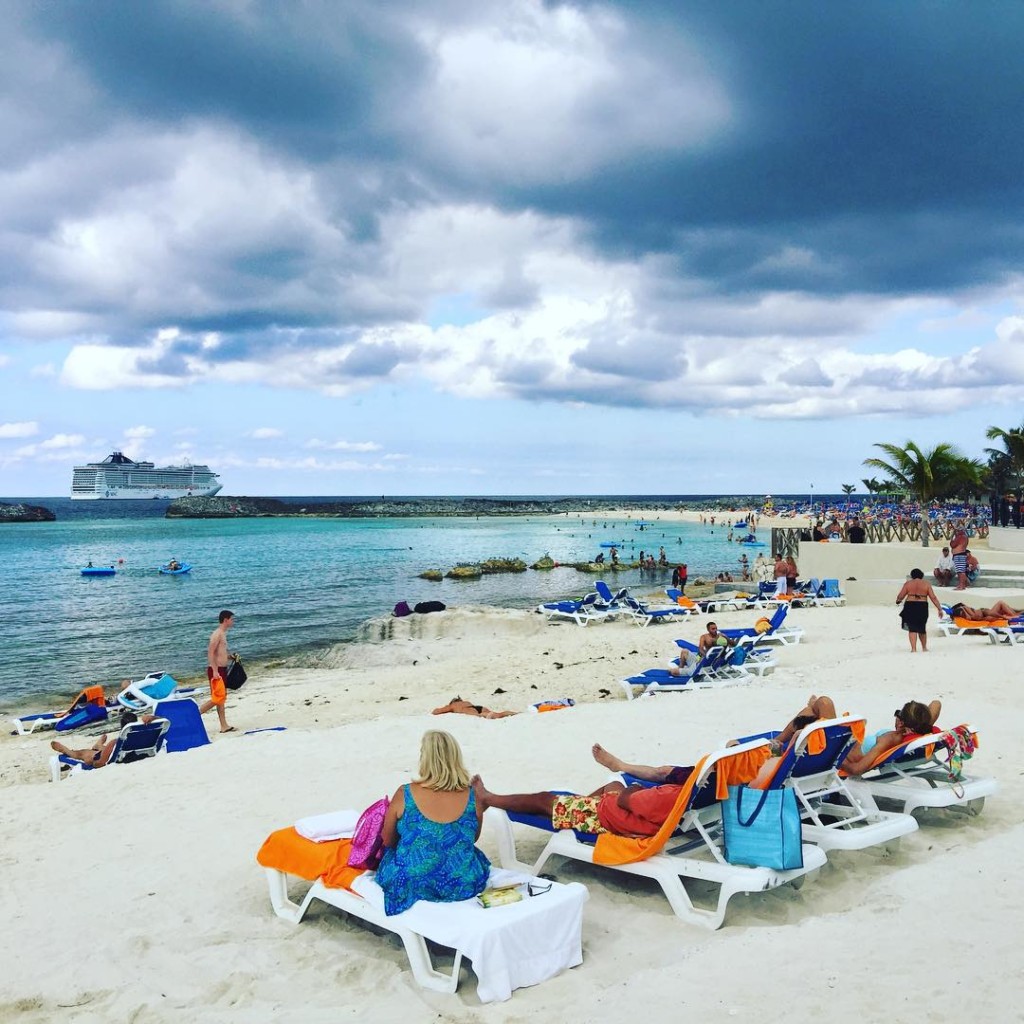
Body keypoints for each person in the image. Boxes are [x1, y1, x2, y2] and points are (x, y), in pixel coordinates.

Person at [591, 693, 941, 787]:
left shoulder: (885, 741)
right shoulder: (907, 735)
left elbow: (859, 768)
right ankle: (795, 727)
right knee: (817, 707)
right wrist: (921, 724)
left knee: (669, 771)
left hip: (737, 773)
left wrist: (843, 742)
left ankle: (622, 765)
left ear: (901, 722)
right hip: (810, 756)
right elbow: (936, 706)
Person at [377, 731, 491, 916]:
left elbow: (388, 840)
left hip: (413, 882)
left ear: (424, 758)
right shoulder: (474, 795)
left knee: (393, 857)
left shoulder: (405, 793)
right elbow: (473, 838)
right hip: (463, 881)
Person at [472, 772, 683, 839]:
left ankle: (487, 798)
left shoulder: (669, 797)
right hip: (627, 816)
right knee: (614, 783)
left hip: (608, 819)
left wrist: (635, 786)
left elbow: (625, 800)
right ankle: (572, 809)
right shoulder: (682, 796)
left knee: (543, 799)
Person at [199, 610, 235, 733]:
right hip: (216, 670)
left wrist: (230, 657)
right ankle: (196, 714)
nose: (233, 621)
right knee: (217, 698)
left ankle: (224, 725)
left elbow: (220, 653)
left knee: (221, 698)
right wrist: (215, 671)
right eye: (232, 619)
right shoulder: (217, 634)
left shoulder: (223, 634)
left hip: (222, 669)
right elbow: (210, 652)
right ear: (226, 620)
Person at [896, 568, 943, 652]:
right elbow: (933, 597)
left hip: (910, 605)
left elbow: (900, 596)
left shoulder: (908, 584)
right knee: (922, 627)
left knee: (912, 627)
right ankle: (924, 648)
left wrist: (898, 601)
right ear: (921, 575)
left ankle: (913, 649)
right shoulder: (926, 584)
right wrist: (939, 609)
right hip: (922, 605)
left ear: (912, 575)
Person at [432, 696, 517, 719]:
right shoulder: (465, 702)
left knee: (479, 716)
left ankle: (487, 716)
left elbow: (437, 712)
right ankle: (512, 713)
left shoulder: (452, 705)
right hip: (477, 707)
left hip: (468, 710)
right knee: (498, 714)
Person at [950, 600, 1022, 621]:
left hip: (986, 612)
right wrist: (1003, 617)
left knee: (1008, 609)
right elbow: (991, 614)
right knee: (1001, 604)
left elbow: (991, 613)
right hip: (986, 613)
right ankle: (1016, 616)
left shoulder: (966, 610)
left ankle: (1016, 615)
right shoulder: (968, 613)